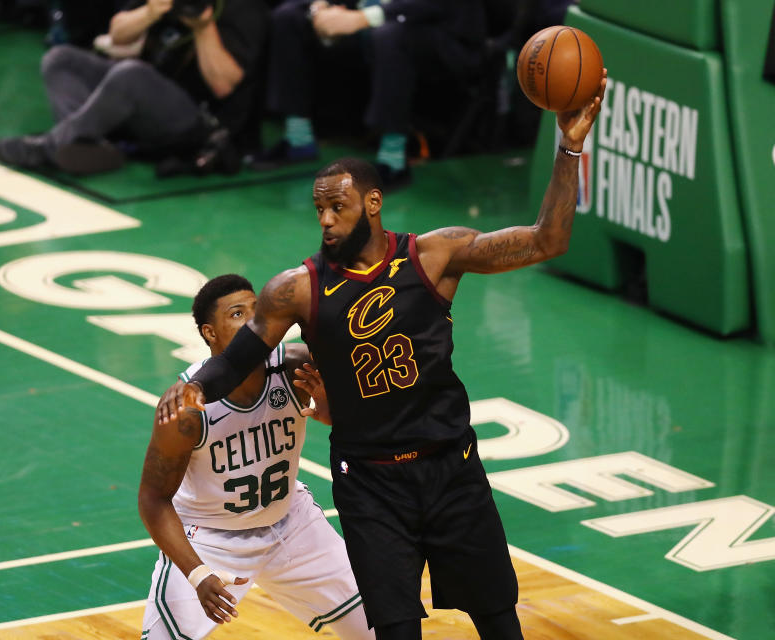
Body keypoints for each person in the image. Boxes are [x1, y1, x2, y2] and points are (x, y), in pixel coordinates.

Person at [156, 74, 606, 639]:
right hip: (369, 485)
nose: (325, 220)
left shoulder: (435, 255)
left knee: (497, 619)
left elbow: (547, 240)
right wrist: (193, 387)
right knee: (390, 632)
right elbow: (235, 361)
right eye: (318, 209)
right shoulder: (295, 290)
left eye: (337, 207)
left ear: (372, 202)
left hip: (452, 468)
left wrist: (569, 146)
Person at [139, 274, 374, 640]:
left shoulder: (297, 365)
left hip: (290, 523)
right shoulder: (187, 409)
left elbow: (351, 420)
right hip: (210, 537)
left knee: (383, 624)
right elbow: (153, 501)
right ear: (209, 333)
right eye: (237, 314)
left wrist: (330, 408)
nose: (253, 322)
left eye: (257, 310)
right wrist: (198, 574)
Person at [0, 0, 269, 176]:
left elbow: (224, 85)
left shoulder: (244, 6)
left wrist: (203, 28)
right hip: (146, 99)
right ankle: (86, 144)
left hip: (200, 122)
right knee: (61, 59)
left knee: (131, 74)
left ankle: (50, 147)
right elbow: (118, 35)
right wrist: (150, 11)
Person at [250, 0, 487, 189]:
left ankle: (393, 159)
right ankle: (298, 138)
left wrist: (363, 18)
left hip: (440, 34)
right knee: (290, 16)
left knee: (390, 35)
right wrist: (321, 8)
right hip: (373, 24)